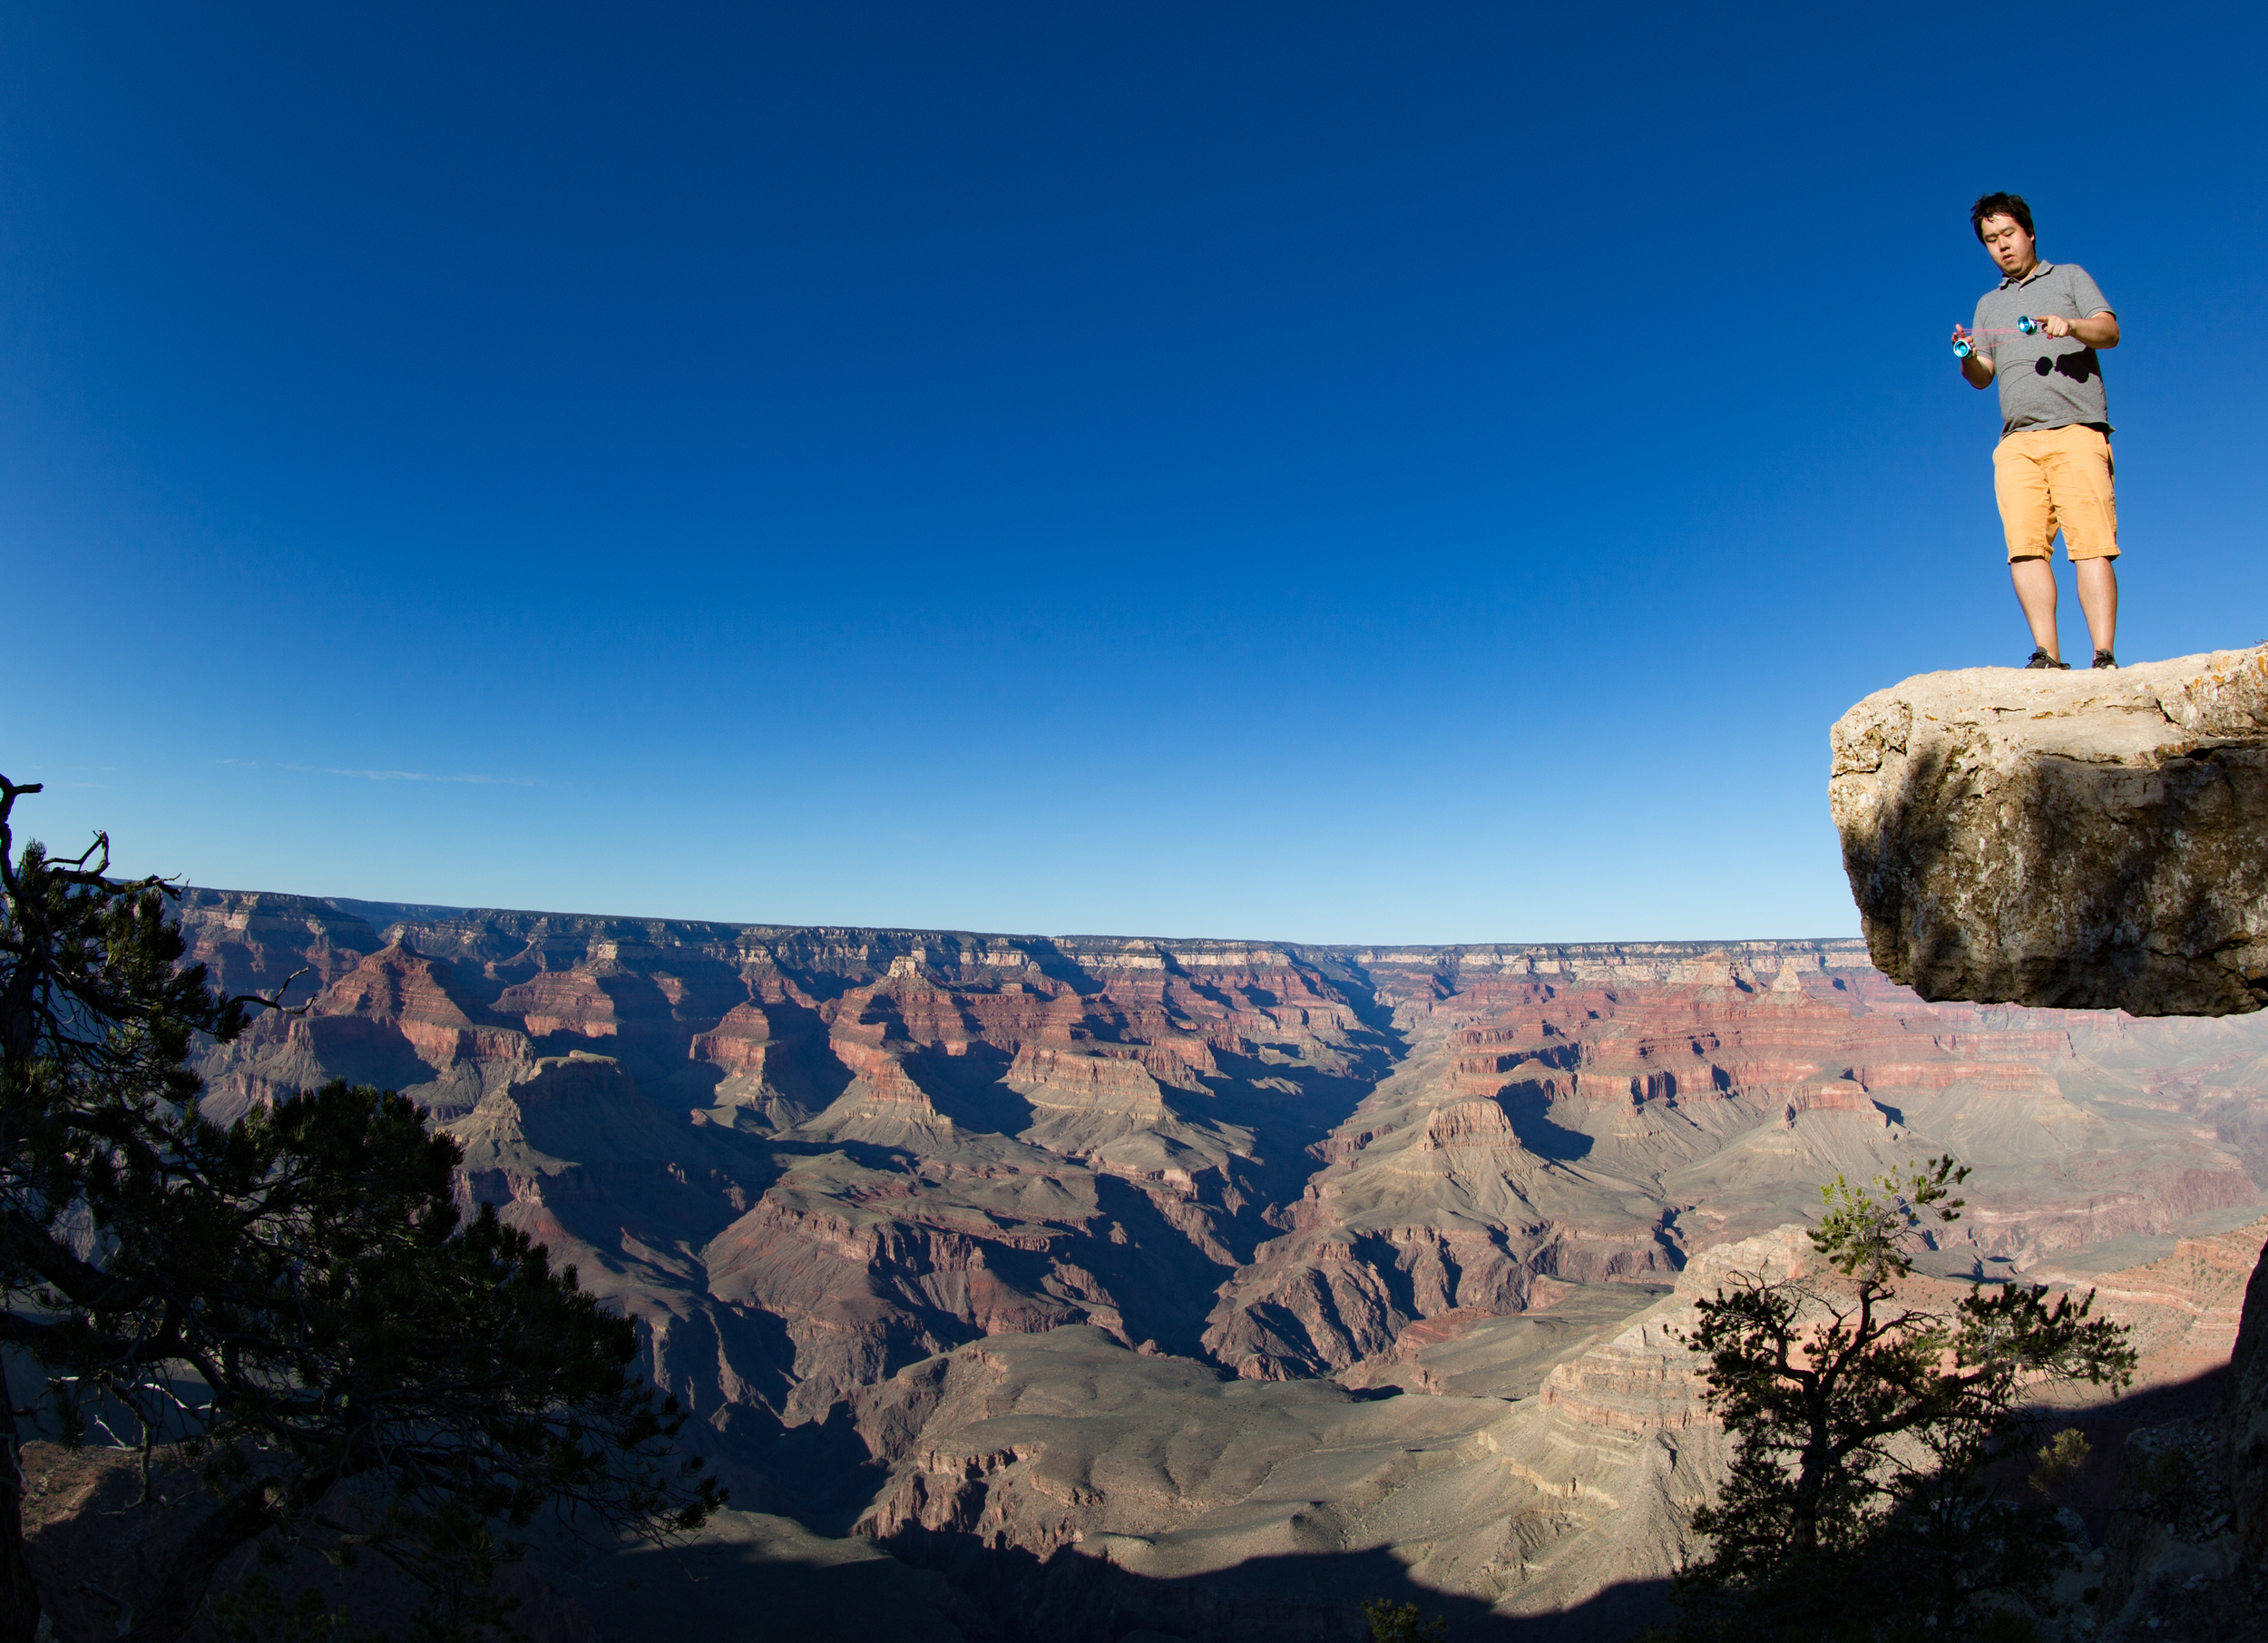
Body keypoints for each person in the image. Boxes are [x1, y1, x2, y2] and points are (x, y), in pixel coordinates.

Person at [1950, 192, 2123, 669]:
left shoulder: (2069, 276)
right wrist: (1967, 355)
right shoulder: (1988, 304)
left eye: (2008, 234)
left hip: (2076, 429)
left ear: (2029, 233)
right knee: (2025, 549)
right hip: (2016, 443)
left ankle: (2103, 656)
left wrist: (2070, 326)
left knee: (2091, 543)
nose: (2001, 246)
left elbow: (2109, 333)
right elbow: (1983, 376)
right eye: (1990, 240)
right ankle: (2047, 655)